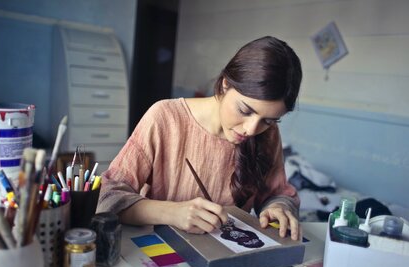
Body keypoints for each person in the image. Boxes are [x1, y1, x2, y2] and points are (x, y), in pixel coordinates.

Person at [96, 36, 303, 240]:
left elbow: (277, 193)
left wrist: (278, 206)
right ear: (224, 85)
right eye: (244, 110)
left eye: (268, 120)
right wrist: (172, 212)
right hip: (160, 251)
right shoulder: (165, 118)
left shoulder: (267, 134)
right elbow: (108, 197)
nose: (251, 129)